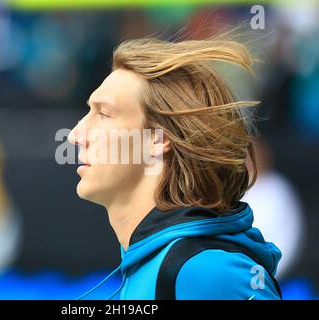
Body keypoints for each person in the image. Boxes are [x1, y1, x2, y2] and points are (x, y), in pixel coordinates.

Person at [68, 35, 282, 300]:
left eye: (104, 114)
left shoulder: (205, 272)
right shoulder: (156, 265)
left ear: (158, 140)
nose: (75, 135)